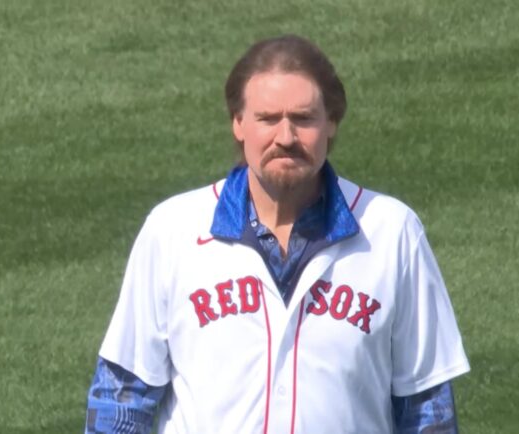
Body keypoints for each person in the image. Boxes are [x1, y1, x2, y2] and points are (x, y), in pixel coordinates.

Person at [85, 34, 470, 434]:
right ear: (238, 123)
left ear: (331, 122)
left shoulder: (391, 232)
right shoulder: (173, 230)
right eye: (267, 119)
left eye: (303, 119)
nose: (285, 137)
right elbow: (121, 397)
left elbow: (427, 409)